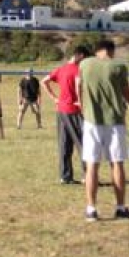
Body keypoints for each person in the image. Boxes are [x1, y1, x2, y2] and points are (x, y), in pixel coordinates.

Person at [78, 38, 129, 221]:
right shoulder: (119, 67)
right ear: (111, 51)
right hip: (115, 122)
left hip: (91, 121)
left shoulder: (85, 64)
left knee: (92, 166)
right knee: (117, 164)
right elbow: (128, 93)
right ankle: (120, 207)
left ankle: (91, 209)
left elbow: (80, 86)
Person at [42, 45, 91, 184]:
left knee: (64, 143)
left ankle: (65, 176)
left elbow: (44, 81)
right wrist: (81, 103)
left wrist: (54, 99)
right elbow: (78, 85)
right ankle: (87, 176)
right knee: (83, 143)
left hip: (61, 111)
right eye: (84, 59)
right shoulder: (78, 70)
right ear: (80, 55)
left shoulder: (61, 69)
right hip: (74, 111)